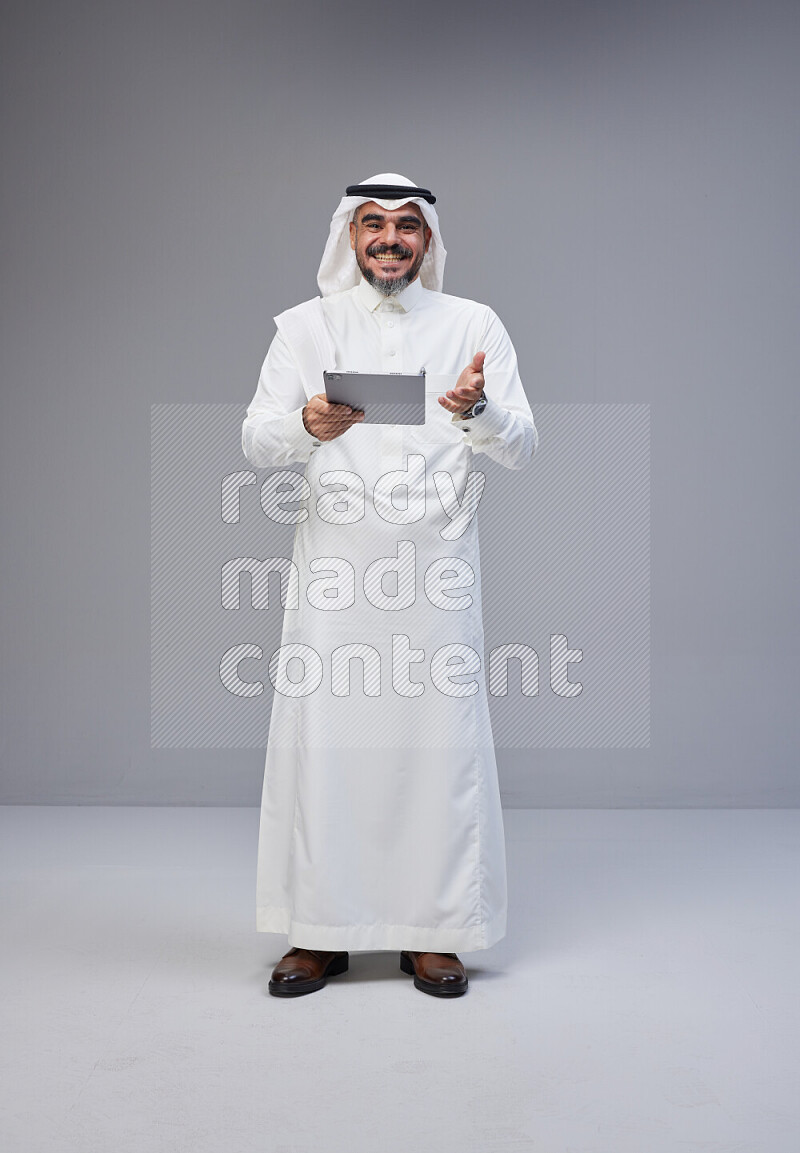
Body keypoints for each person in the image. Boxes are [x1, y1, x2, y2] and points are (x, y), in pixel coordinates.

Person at [241, 173, 538, 998]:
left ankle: (433, 931)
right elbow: (256, 440)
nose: (390, 239)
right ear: (349, 237)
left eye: (407, 226)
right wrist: (306, 424)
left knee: (435, 749)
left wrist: (478, 411)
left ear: (429, 241)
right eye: (372, 224)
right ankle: (319, 932)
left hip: (436, 580)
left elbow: (521, 443)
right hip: (335, 580)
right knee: (326, 745)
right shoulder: (304, 330)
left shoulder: (474, 325)